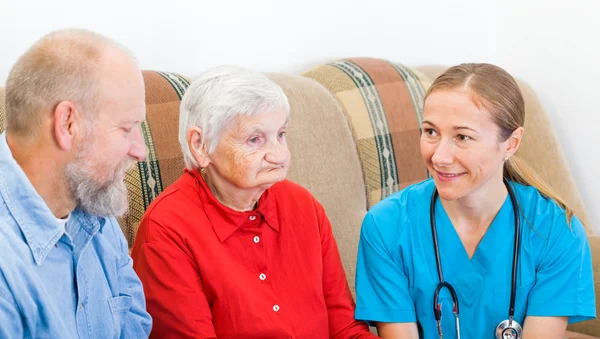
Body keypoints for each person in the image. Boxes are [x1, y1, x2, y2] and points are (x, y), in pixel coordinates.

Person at [131, 66, 376, 339]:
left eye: (281, 134)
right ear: (200, 145)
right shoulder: (167, 230)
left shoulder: (303, 205)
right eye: (254, 139)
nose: (279, 155)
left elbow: (344, 327)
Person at [354, 63, 595, 339]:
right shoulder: (386, 226)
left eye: (462, 137)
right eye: (431, 132)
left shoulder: (555, 230)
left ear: (511, 143)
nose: (439, 157)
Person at [0, 29, 152, 338]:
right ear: (68, 124)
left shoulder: (94, 204)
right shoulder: (7, 267)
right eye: (126, 128)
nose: (141, 150)